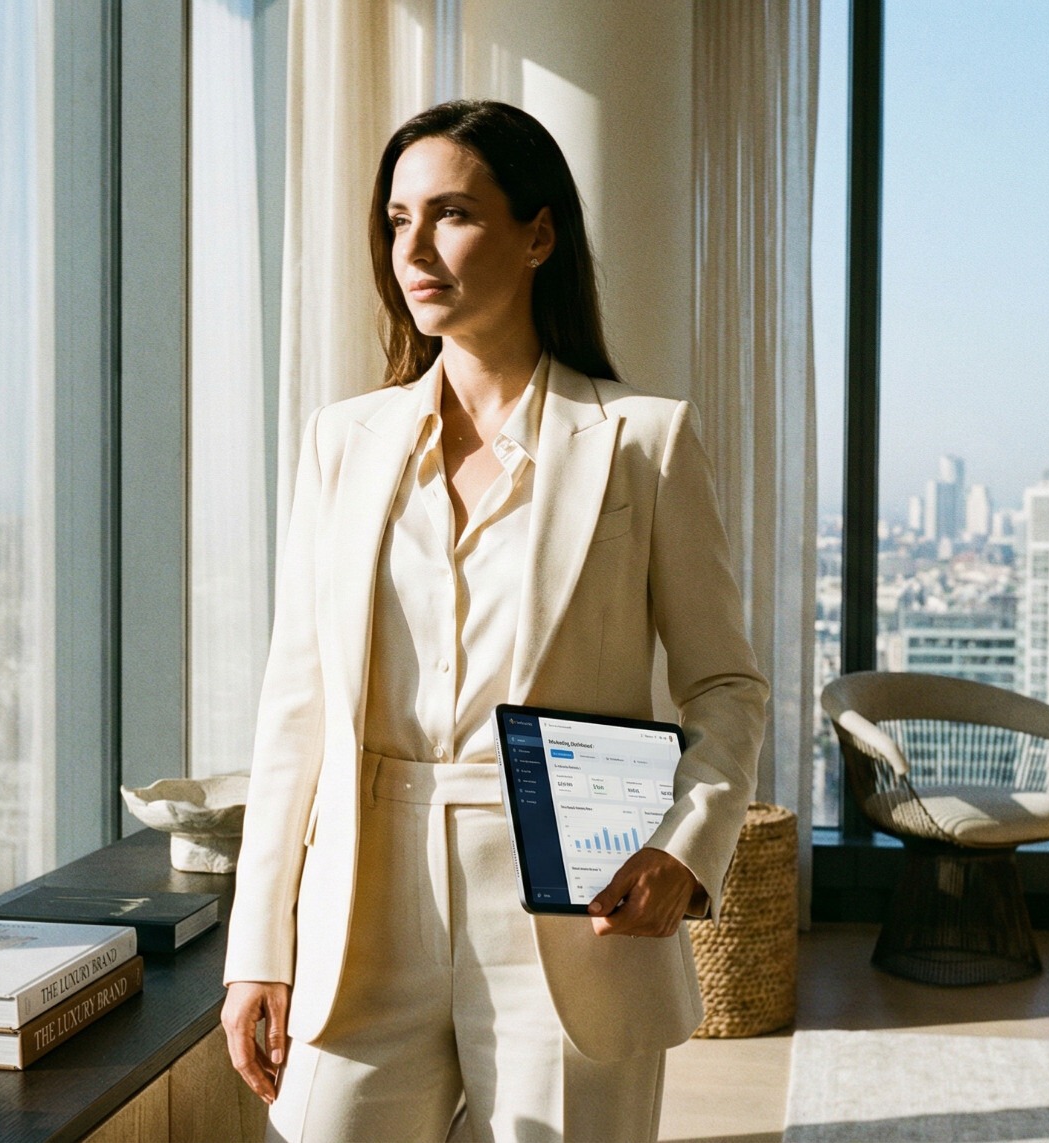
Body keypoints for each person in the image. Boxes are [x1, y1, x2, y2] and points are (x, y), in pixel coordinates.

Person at [220, 98, 768, 1143]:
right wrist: (260, 943)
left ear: (538, 234)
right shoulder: (343, 442)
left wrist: (684, 845)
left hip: (569, 907)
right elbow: (294, 706)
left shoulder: (641, 444)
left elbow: (724, 685)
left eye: (451, 216)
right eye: (395, 220)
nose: (412, 249)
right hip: (359, 904)